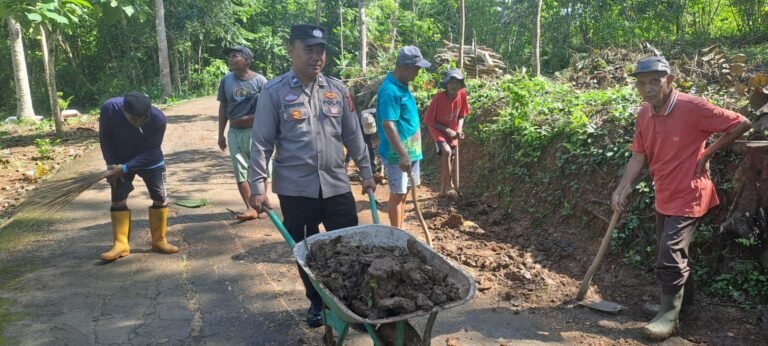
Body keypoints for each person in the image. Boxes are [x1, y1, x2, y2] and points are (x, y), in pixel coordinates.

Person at [611, 56, 751, 340]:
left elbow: (741, 123)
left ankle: (668, 316)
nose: (647, 89)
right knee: (673, 251)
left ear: (670, 80)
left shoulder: (693, 108)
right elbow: (638, 156)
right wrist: (623, 186)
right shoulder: (643, 114)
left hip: (690, 193)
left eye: (654, 81)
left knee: (670, 252)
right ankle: (681, 305)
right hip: (665, 191)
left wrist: (708, 152)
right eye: (641, 84)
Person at [247, 24, 376, 328]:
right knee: (306, 250)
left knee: (348, 246)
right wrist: (257, 186)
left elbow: (354, 135)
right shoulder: (274, 92)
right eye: (309, 50)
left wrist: (367, 173)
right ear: (291, 49)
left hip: (336, 185)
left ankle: (348, 306)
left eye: (321, 51)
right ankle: (317, 303)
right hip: (295, 189)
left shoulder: (338, 90)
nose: (316, 57)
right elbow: (261, 142)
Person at [99, 92, 180, 261]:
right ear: (123, 110)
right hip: (120, 160)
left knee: (160, 197)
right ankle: (120, 245)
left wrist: (126, 168)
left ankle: (159, 241)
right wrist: (111, 164)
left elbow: (152, 151)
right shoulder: (109, 109)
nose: (139, 122)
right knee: (118, 199)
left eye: (143, 118)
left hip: (150, 161)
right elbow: (105, 137)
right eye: (134, 119)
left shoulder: (158, 119)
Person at [376, 46, 430, 228]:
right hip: (397, 154)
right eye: (416, 70)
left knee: (405, 193)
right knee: (397, 195)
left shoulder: (402, 87)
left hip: (410, 153)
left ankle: (401, 231)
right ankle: (396, 234)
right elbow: (388, 125)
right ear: (406, 67)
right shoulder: (390, 91)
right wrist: (402, 154)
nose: (417, 74)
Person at [217, 45, 269, 221]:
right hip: (235, 133)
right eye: (230, 57)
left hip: (256, 132)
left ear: (246, 60)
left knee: (259, 168)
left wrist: (249, 119)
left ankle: (260, 203)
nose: (230, 59)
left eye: (235, 56)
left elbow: (269, 109)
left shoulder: (260, 81)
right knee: (240, 169)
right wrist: (221, 134)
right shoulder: (226, 81)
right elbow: (223, 107)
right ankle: (250, 207)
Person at [423, 68, 470, 198]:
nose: (454, 86)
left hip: (453, 129)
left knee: (451, 157)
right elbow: (428, 120)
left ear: (461, 85)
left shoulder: (462, 94)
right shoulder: (438, 98)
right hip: (437, 128)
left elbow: (461, 115)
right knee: (447, 152)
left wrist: (459, 130)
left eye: (457, 83)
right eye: (451, 82)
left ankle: (442, 191)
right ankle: (449, 185)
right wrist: (446, 130)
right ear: (446, 84)